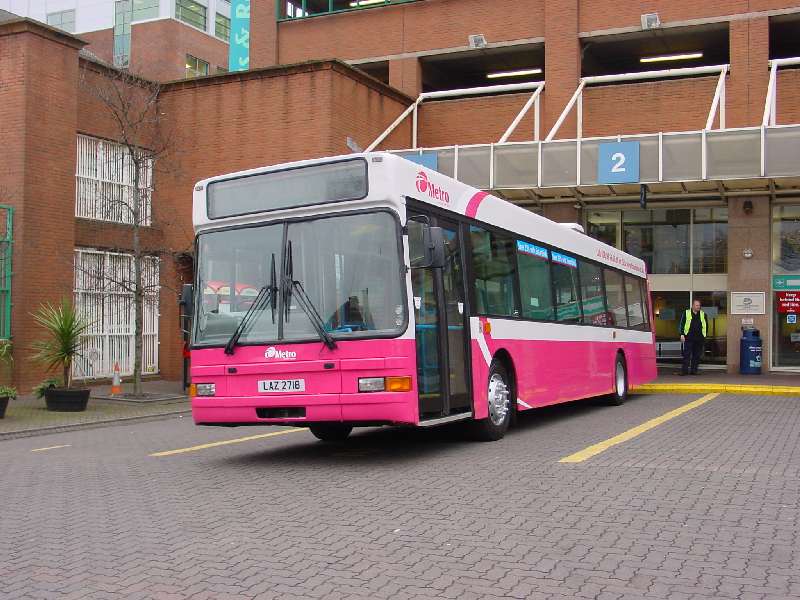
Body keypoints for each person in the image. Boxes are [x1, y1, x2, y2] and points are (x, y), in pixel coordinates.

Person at [679, 299, 707, 375]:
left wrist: (704, 336)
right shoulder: (686, 313)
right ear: (693, 306)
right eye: (697, 305)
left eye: (699, 305)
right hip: (689, 337)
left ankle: (694, 371)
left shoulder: (703, 314)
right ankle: (684, 371)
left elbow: (706, 326)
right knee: (686, 354)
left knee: (696, 355)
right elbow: (682, 323)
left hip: (699, 338)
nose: (698, 307)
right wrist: (682, 334)